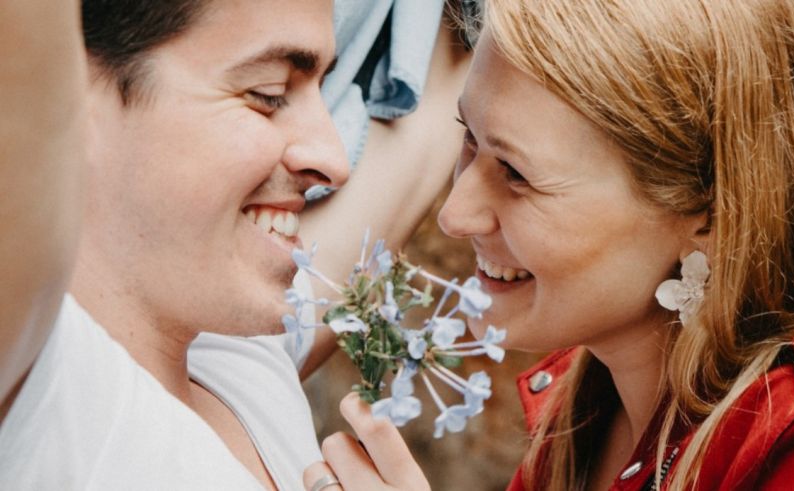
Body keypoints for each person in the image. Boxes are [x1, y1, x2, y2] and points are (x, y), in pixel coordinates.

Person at [307, 0, 794, 490]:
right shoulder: (580, 417)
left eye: (517, 174)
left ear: (712, 212)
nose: (455, 215)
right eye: (468, 138)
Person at [0, 0, 469, 490]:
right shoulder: (45, 388)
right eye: (267, 94)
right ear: (70, 93)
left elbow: (421, 135)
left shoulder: (240, 355)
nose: (334, 157)